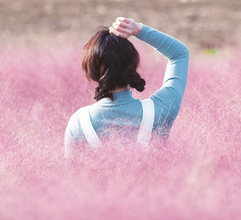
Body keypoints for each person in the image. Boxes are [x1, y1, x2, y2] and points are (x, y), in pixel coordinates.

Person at [64, 17, 189, 158]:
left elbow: (72, 175)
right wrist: (139, 30)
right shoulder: (161, 110)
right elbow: (180, 54)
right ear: (133, 65)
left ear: (92, 71)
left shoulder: (79, 122)